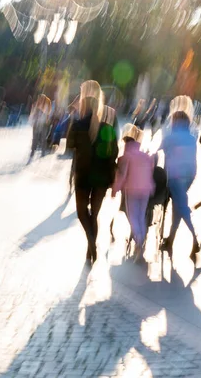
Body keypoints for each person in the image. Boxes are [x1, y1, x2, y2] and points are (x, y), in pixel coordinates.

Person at [67, 80, 118, 265]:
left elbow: (69, 145)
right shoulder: (109, 121)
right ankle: (91, 250)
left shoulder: (79, 124)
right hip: (102, 175)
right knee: (94, 215)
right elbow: (114, 150)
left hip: (83, 174)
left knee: (82, 213)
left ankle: (92, 246)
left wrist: (73, 119)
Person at [159, 95, 200, 264]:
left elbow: (161, 150)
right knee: (178, 206)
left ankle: (194, 238)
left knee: (181, 208)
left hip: (174, 175)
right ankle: (170, 240)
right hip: (189, 175)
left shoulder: (170, 137)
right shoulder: (191, 138)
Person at [112, 124, 155, 263]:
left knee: (132, 217)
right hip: (146, 191)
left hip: (132, 190)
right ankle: (140, 243)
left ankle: (139, 241)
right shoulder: (145, 156)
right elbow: (151, 172)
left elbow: (122, 175)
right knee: (141, 216)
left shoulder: (125, 157)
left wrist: (115, 188)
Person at [29, 94, 51, 159]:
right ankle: (33, 151)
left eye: (42, 98)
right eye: (40, 98)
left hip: (43, 124)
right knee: (35, 138)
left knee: (43, 138)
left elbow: (47, 113)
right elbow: (32, 113)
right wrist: (31, 120)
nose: (41, 100)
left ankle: (43, 152)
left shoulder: (47, 104)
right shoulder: (36, 104)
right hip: (36, 123)